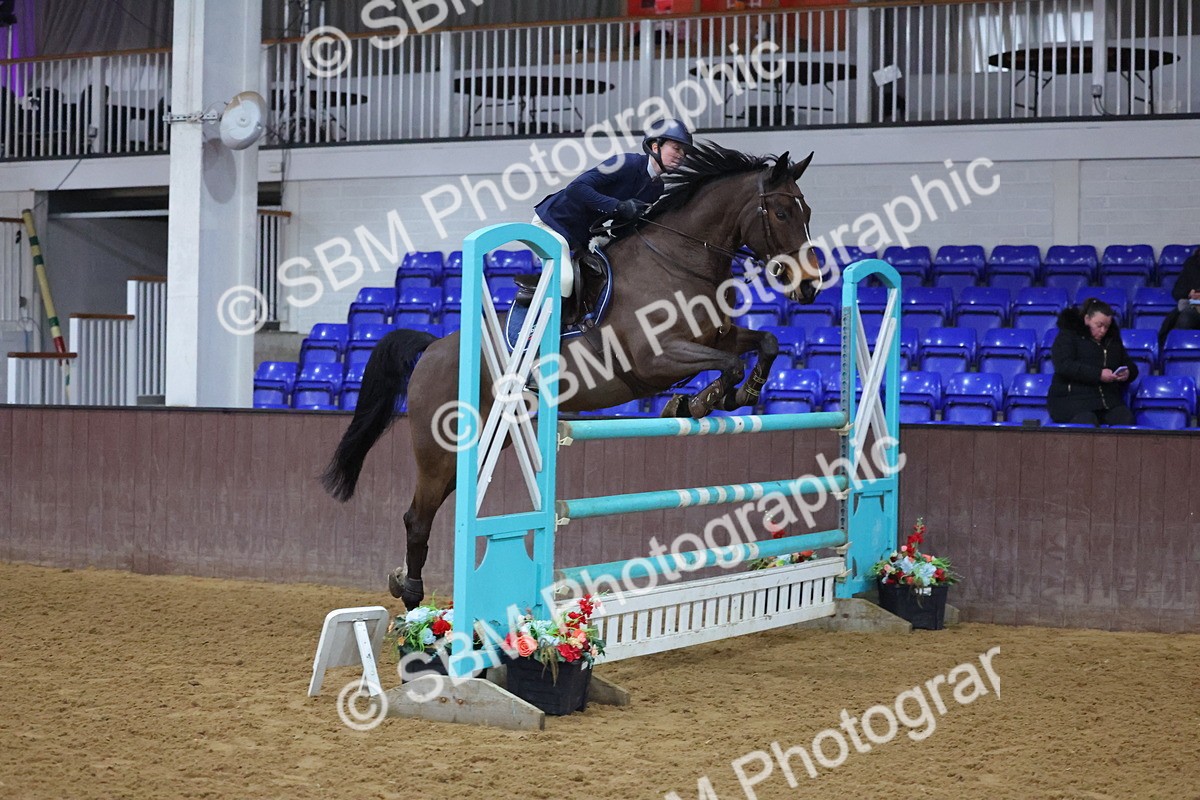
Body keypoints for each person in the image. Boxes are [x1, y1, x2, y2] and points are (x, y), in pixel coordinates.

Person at [532, 118, 692, 264]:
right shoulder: (627, 163)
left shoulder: (656, 188)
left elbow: (618, 226)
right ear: (655, 146)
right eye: (677, 148)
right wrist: (618, 206)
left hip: (581, 235)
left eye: (684, 153)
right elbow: (575, 188)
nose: (681, 156)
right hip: (553, 223)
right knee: (565, 278)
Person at [1047, 297, 1138, 426]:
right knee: (1086, 422)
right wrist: (1098, 374)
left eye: (1106, 327)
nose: (1103, 331)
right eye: (1099, 325)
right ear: (1087, 319)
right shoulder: (1068, 336)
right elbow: (1064, 365)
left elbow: (1128, 364)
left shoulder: (1112, 340)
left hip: (1108, 401)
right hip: (1072, 401)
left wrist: (1128, 373)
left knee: (1126, 419)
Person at [1161, 245, 1200, 340]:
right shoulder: (1192, 264)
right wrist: (1189, 293)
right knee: (1184, 318)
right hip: (1195, 304)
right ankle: (1177, 346)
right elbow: (1177, 291)